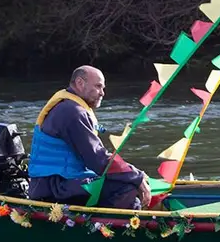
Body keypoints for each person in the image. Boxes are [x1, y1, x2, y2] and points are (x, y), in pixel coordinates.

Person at [27, 66, 152, 210]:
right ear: (80, 83)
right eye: (98, 86)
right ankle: (115, 228)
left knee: (125, 179)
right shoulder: (72, 112)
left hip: (52, 183)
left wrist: (134, 174)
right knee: (127, 187)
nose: (102, 93)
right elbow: (98, 161)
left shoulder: (70, 106)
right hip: (54, 188)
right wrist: (137, 177)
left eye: (103, 88)